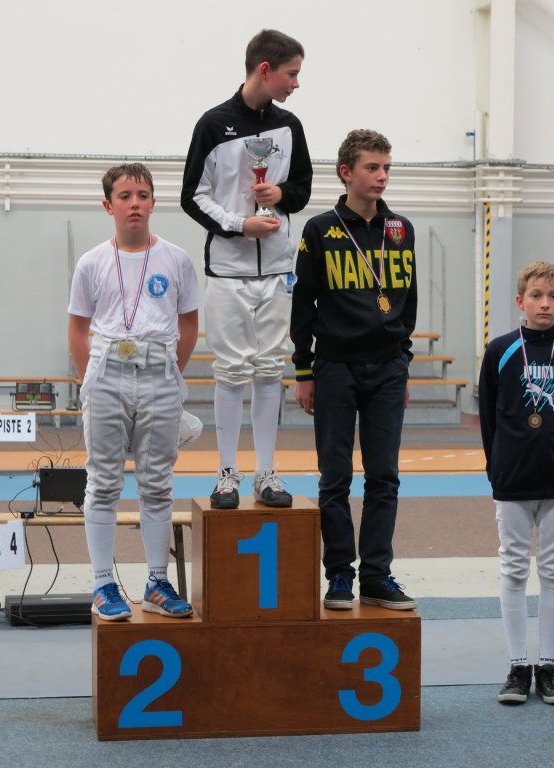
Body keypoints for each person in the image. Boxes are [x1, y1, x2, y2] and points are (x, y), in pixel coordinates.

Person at [181, 29, 312, 510]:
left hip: (276, 269)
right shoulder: (213, 125)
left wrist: (279, 196)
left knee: (269, 369)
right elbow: (192, 196)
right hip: (228, 271)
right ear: (265, 69)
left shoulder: (290, 126)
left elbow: (301, 188)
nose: (295, 83)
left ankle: (265, 472)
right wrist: (240, 225)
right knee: (232, 372)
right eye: (291, 74)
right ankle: (226, 474)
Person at [291, 129, 417, 611]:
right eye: (372, 167)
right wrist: (304, 371)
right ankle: (340, 574)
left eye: (386, 168)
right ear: (346, 172)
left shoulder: (400, 229)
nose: (382, 176)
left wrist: (403, 362)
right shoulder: (320, 230)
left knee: (384, 476)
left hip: (388, 368)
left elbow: (408, 301)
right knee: (335, 477)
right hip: (335, 368)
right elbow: (303, 304)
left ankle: (377, 576)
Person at [68, 163, 200, 621]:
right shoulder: (91, 262)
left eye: (143, 195)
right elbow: (77, 328)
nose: (135, 204)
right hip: (107, 373)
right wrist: (89, 382)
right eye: (125, 196)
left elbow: (188, 322)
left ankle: (157, 582)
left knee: (157, 482)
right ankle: (103, 583)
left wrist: (171, 374)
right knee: (103, 481)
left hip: (160, 371)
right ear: (109, 206)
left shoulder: (176, 259)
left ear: (153, 202)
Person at [478, 262, 554, 706]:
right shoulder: (500, 350)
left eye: (553, 296)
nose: (545, 304)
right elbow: (489, 415)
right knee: (513, 567)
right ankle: (517, 665)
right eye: (537, 296)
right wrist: (497, 466)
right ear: (520, 301)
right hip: (513, 476)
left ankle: (548, 665)